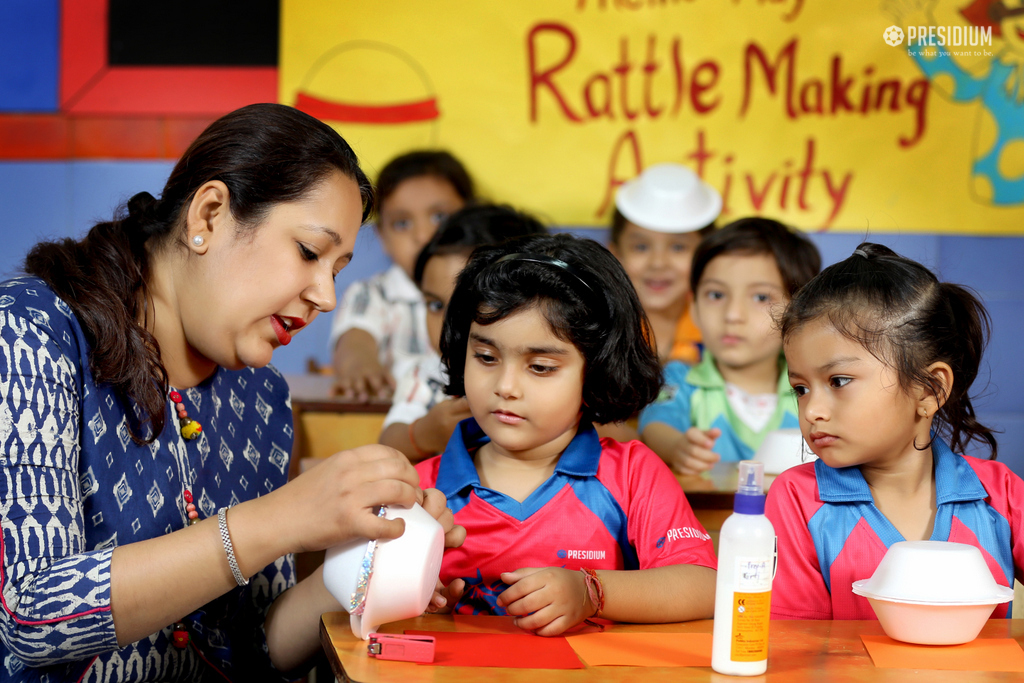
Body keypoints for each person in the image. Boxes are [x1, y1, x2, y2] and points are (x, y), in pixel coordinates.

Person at [0, 103, 462, 683]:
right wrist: (282, 517)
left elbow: (259, 650)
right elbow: (32, 616)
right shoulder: (32, 332)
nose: (327, 297)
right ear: (209, 216)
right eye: (308, 252)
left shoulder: (261, 396)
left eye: (339, 268)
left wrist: (366, 563)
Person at [416, 233, 718, 636]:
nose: (506, 386)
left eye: (540, 367)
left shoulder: (632, 475)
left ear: (595, 372)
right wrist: (414, 600)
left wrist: (591, 592)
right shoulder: (422, 490)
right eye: (486, 357)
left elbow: (705, 586)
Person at [765, 243, 1020, 620]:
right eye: (800, 389)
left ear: (930, 389)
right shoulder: (797, 500)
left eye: (838, 381)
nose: (812, 411)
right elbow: (797, 648)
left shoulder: (1002, 495)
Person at [639, 218, 821, 475]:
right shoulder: (680, 378)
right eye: (716, 295)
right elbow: (655, 424)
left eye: (760, 297)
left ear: (798, 311)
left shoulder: (812, 389)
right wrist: (679, 447)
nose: (733, 314)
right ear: (694, 307)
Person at [380, 204, 548, 462]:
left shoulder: (551, 375)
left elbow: (621, 439)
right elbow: (389, 444)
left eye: (468, 305)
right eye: (435, 306)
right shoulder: (429, 376)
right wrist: (428, 432)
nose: (448, 324)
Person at [329, 150, 475, 401]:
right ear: (382, 237)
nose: (423, 235)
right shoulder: (373, 293)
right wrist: (358, 366)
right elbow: (355, 340)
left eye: (439, 216)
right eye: (402, 224)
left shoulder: (486, 290)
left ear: (473, 219)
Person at [607, 163, 721, 366]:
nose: (658, 263)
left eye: (678, 247)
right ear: (616, 255)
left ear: (706, 255)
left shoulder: (723, 333)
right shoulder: (598, 333)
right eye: (641, 247)